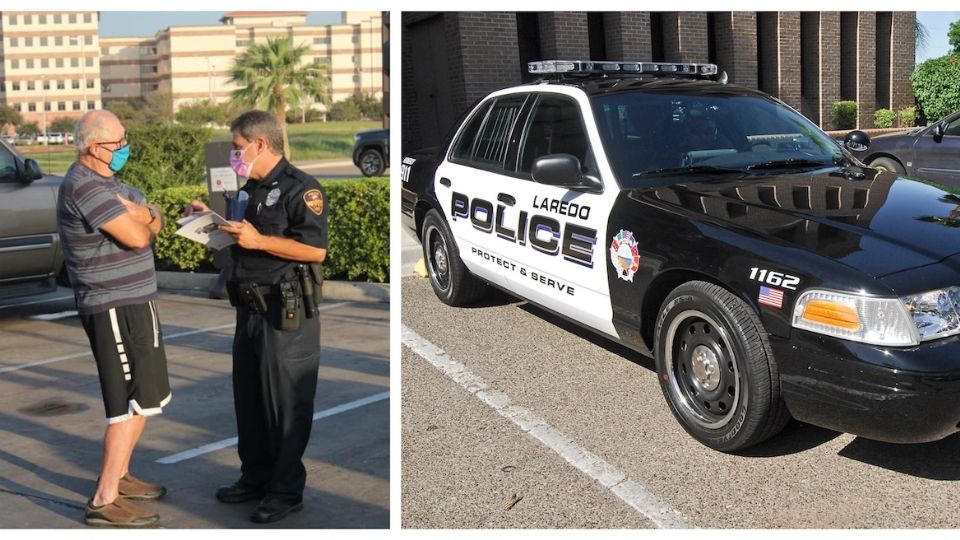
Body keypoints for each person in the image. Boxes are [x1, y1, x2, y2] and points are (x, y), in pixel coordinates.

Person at [186, 110, 328, 524]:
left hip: (286, 312)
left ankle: (285, 492)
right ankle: (255, 478)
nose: (234, 155)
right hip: (248, 308)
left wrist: (259, 239)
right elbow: (240, 234)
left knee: (285, 404)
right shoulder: (250, 187)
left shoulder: (303, 189)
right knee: (248, 401)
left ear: (259, 144)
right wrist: (209, 220)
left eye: (236, 147)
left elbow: (315, 251)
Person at [56, 110, 169, 528]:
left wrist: (143, 214)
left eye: (125, 139)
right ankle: (104, 500)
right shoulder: (84, 186)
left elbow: (151, 212)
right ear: (94, 148)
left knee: (147, 396)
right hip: (113, 306)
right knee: (124, 405)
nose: (125, 148)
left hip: (137, 301)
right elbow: (141, 234)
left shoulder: (110, 183)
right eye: (118, 142)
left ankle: (120, 476)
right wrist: (143, 218)